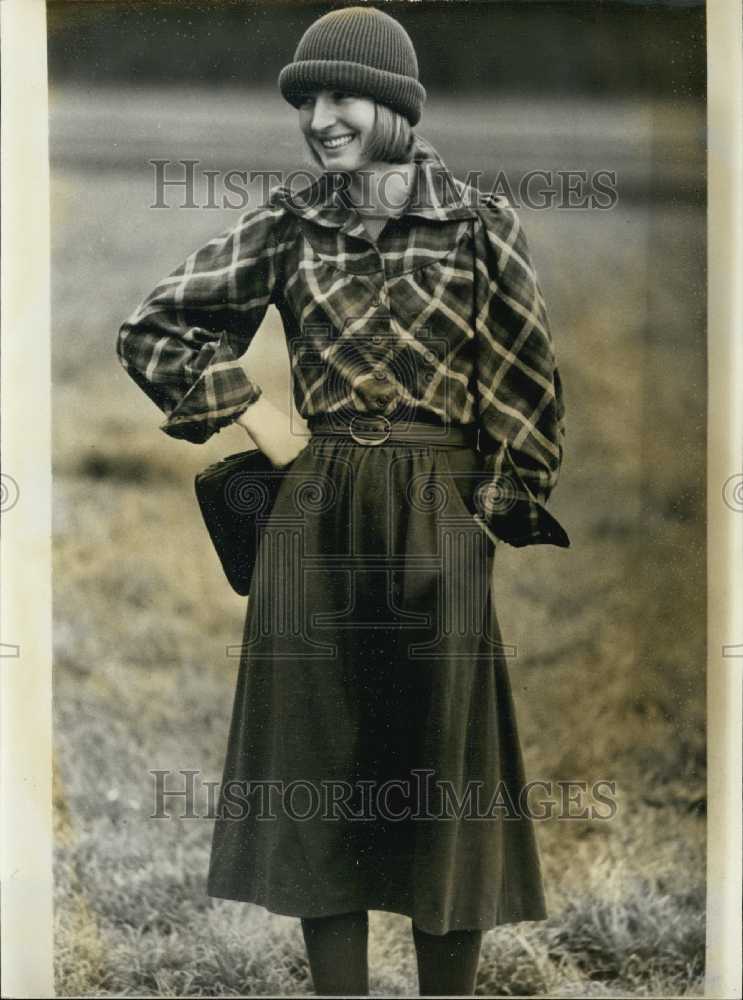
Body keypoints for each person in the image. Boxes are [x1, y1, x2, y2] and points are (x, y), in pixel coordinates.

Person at [116, 5, 569, 995]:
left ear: (396, 107)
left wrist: (481, 518)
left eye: (342, 94)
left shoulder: (481, 224)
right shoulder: (287, 222)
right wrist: (259, 417)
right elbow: (154, 331)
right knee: (320, 768)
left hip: (437, 515)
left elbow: (528, 390)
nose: (319, 116)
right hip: (312, 511)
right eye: (306, 98)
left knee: (440, 779)